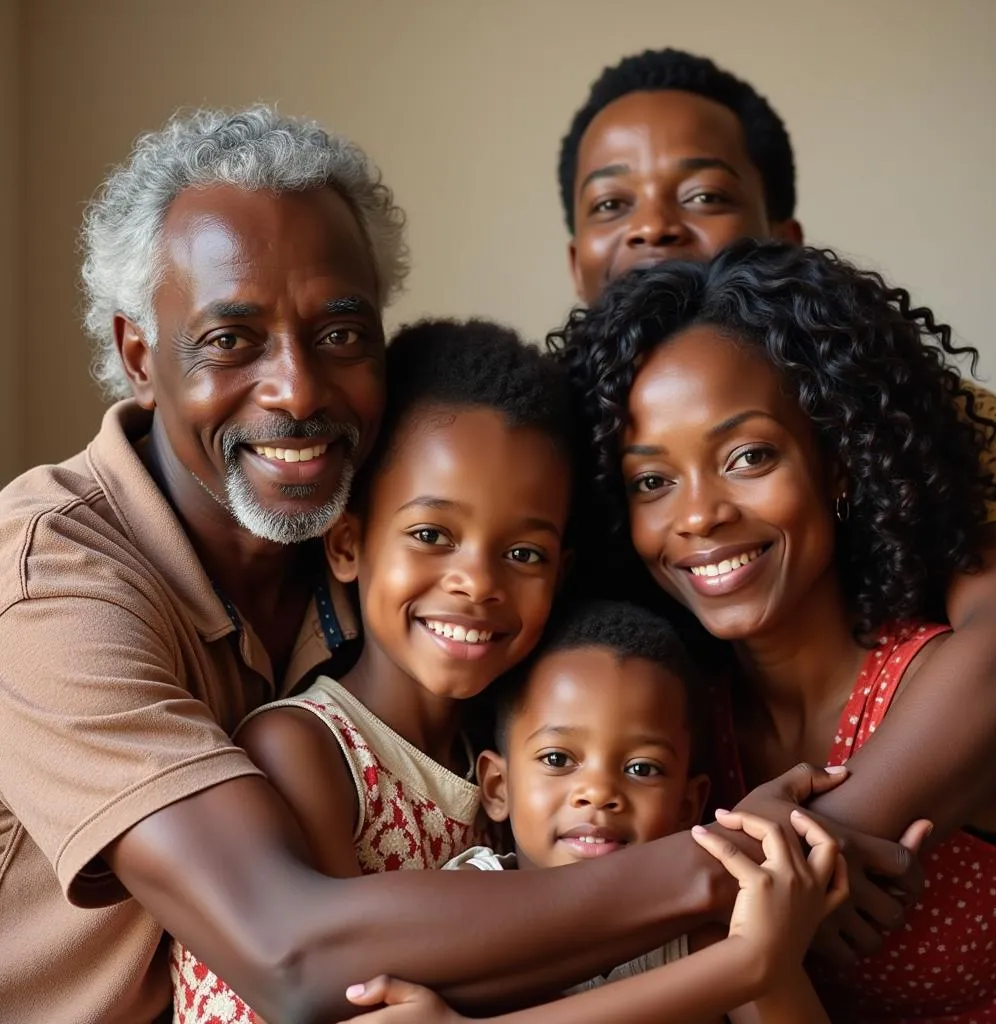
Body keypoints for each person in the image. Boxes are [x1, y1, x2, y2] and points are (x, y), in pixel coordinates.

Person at [0, 105, 897, 1022]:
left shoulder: (373, 525)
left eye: (341, 334)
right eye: (231, 340)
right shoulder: (49, 583)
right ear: (138, 355)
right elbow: (294, 953)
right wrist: (737, 870)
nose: (298, 388)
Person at [552, 48, 996, 966]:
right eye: (613, 205)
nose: (652, 229)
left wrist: (812, 847)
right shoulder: (556, 452)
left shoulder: (931, 421)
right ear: (576, 262)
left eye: (702, 195)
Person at [171, 318, 577, 1022]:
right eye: (431, 536)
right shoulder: (304, 751)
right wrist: (735, 965)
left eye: (524, 554)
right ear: (348, 544)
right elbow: (347, 997)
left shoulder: (512, 764)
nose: (477, 583)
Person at [439, 598, 840, 1023]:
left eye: (641, 768)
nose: (598, 792)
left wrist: (766, 955)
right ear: (498, 787)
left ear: (688, 806)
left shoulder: (706, 933)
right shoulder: (467, 900)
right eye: (557, 760)